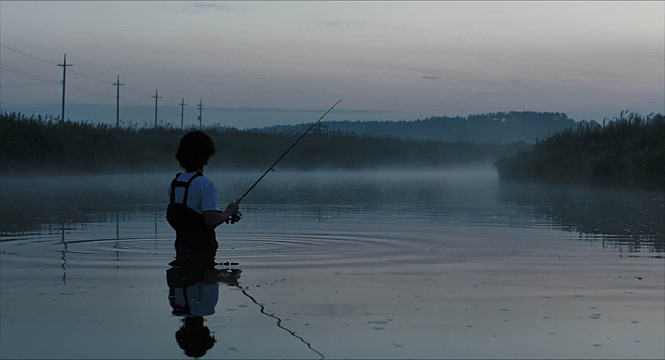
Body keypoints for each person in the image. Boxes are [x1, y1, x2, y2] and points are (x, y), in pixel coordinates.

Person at [166, 131, 239, 262]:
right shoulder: (205, 185)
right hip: (203, 252)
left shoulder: (176, 182)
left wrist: (223, 214)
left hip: (181, 249)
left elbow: (191, 214)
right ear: (206, 157)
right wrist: (229, 212)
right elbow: (210, 221)